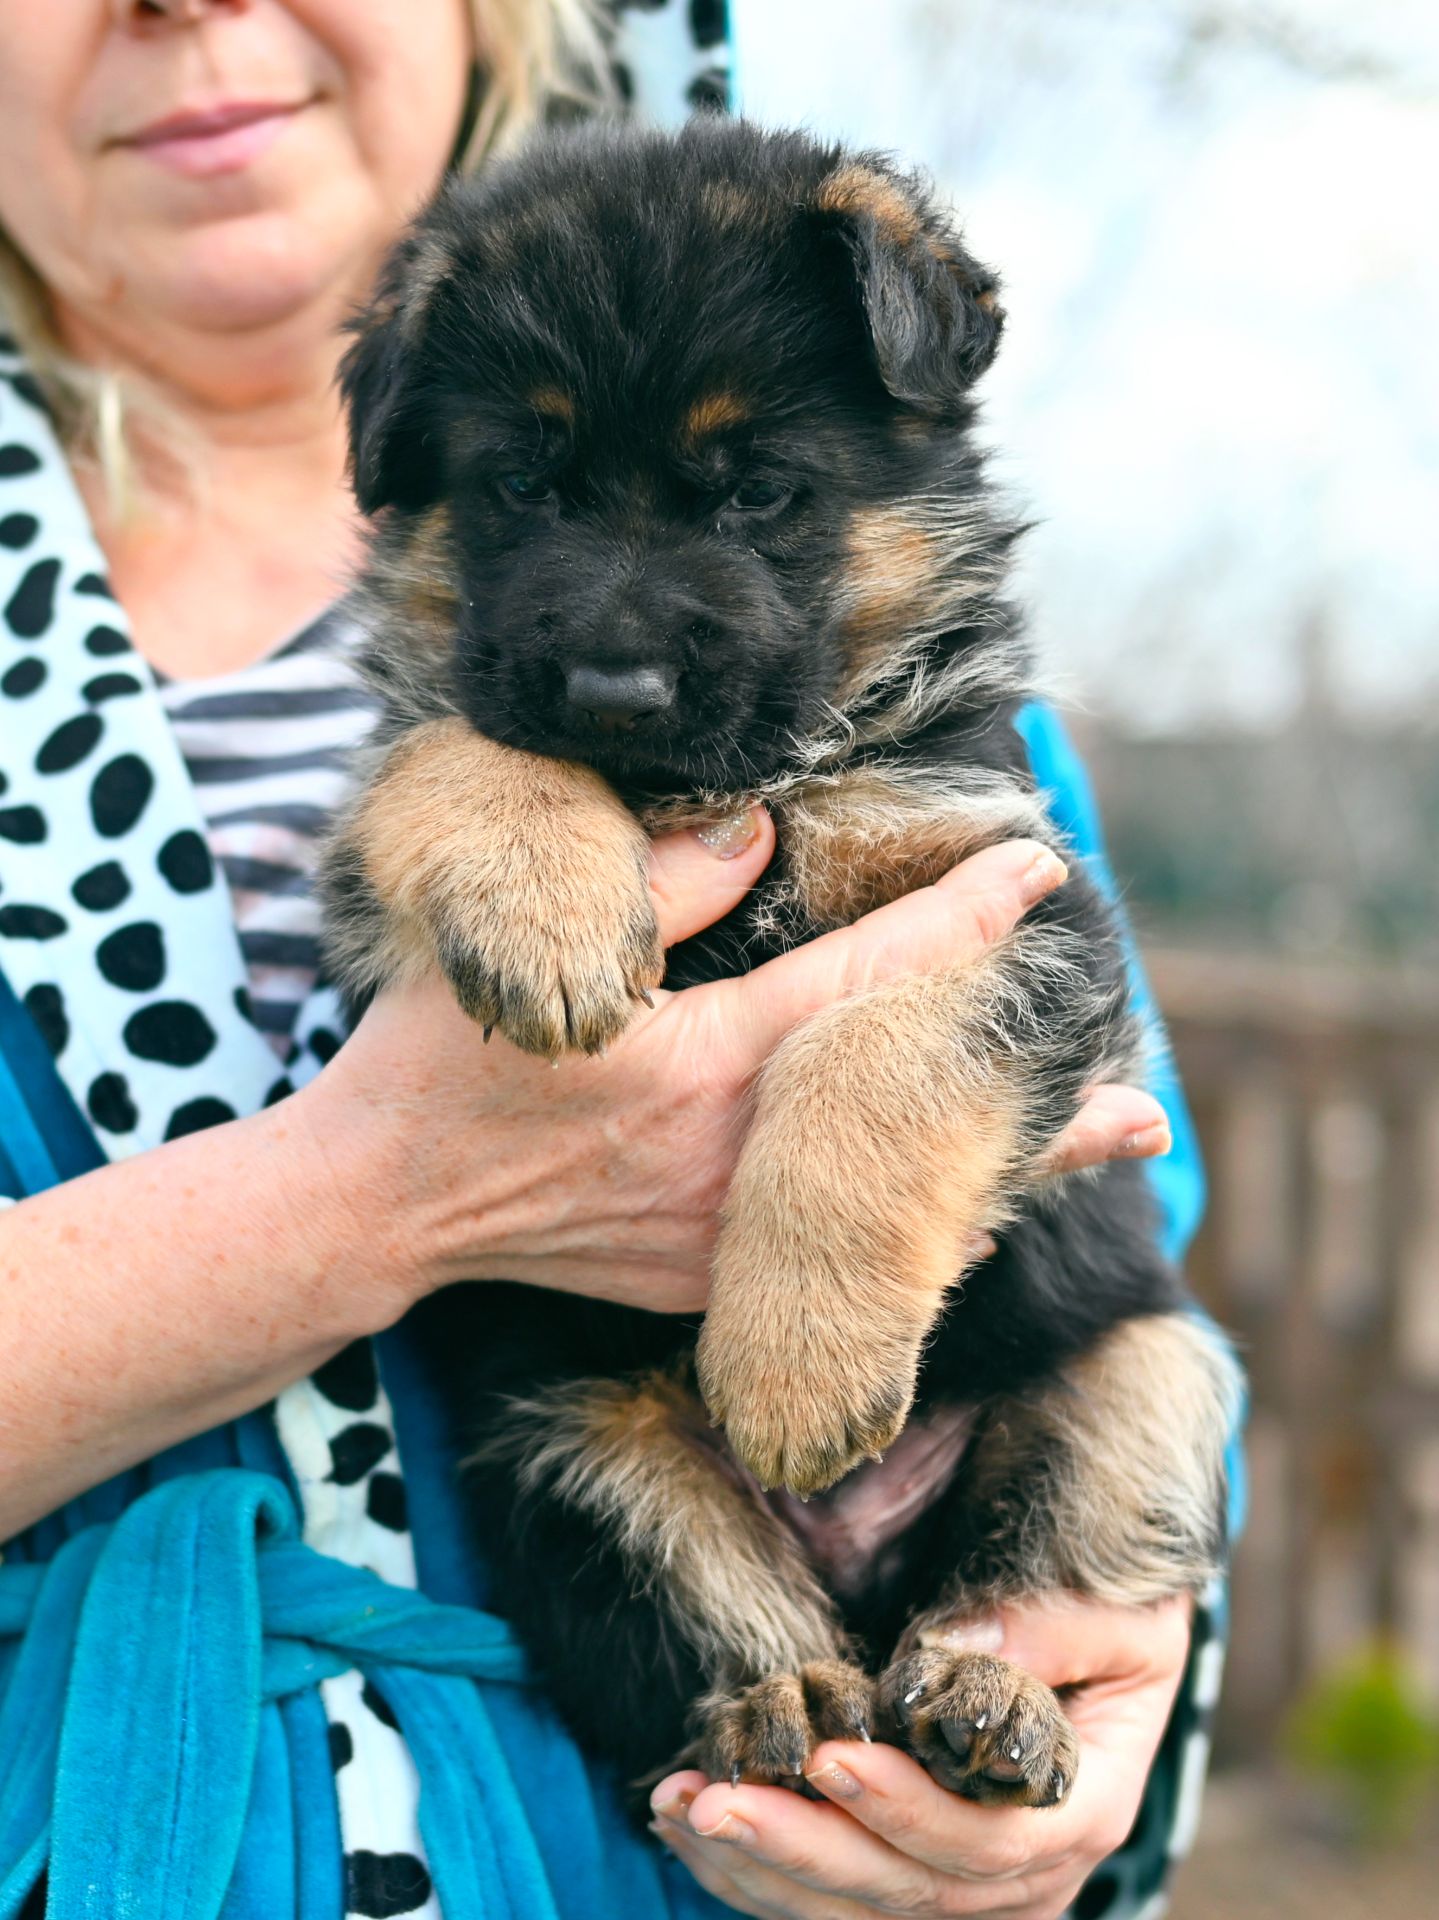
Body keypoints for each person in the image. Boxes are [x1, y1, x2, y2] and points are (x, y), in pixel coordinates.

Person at [0, 4, 1235, 1917]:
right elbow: (423, 843)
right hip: (156, 1813)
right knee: (584, 1431)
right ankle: (767, 1702)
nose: (618, 641)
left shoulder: (932, 677)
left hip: (831, 1722)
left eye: (753, 500)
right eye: (525, 492)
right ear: (404, 469)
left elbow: (1116, 1157)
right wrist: (376, 1192)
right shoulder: (457, 761)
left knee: (1154, 1377)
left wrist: (1107, 1679)